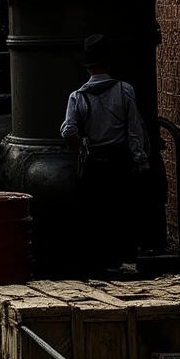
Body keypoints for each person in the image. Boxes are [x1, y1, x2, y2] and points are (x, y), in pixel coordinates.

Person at [60, 35, 154, 249]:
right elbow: (134, 131)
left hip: (95, 162)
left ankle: (100, 261)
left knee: (97, 214)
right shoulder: (125, 90)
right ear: (109, 63)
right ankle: (124, 259)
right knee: (123, 212)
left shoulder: (77, 97)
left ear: (87, 67)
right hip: (121, 160)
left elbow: (68, 130)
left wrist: (79, 147)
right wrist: (141, 162)